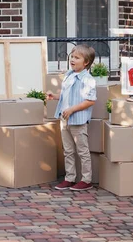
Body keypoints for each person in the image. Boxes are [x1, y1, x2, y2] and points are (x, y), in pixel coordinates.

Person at [47, 44, 97, 191]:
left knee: (82, 150)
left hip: (78, 120)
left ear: (86, 62)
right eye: (72, 56)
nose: (72, 59)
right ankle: (70, 178)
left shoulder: (88, 80)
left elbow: (90, 100)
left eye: (77, 57)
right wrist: (55, 96)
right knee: (68, 150)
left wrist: (72, 110)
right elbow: (66, 95)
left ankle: (86, 180)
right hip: (65, 118)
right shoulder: (69, 75)